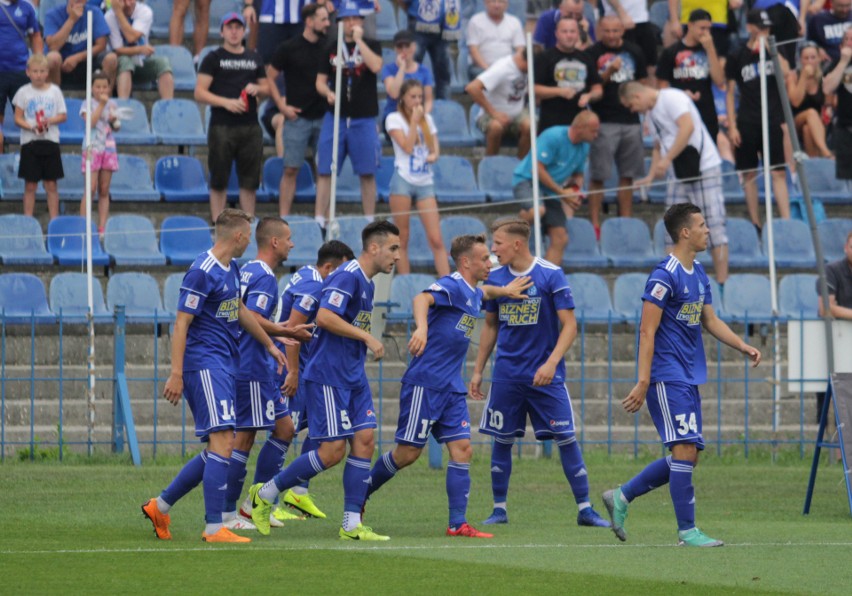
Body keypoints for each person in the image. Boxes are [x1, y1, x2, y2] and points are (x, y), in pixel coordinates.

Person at [602, 203, 761, 547]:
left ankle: (621, 496)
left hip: (688, 373)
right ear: (685, 232)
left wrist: (742, 345)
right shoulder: (664, 275)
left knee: (688, 454)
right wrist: (644, 380)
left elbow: (711, 320)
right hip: (665, 373)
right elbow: (647, 331)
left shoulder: (699, 272)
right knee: (685, 448)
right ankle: (687, 531)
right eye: (702, 225)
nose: (708, 230)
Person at [364, 235, 533, 538]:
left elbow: (484, 292)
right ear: (466, 262)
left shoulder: (472, 291)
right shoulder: (452, 284)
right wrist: (423, 327)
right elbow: (421, 299)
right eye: (484, 259)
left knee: (463, 449)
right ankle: (358, 495)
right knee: (407, 454)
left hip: (451, 388)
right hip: (425, 384)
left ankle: (457, 522)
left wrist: (505, 290)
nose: (490, 263)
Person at [141, 209, 291, 544]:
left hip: (225, 365)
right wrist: (176, 373)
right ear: (237, 236)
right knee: (225, 440)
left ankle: (160, 505)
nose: (250, 240)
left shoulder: (233, 269)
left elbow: (239, 309)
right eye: (248, 235)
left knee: (218, 447)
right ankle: (214, 527)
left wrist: (269, 343)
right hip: (204, 364)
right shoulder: (201, 271)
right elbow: (181, 323)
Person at [248, 220, 400, 541]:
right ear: (374, 247)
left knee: (365, 441)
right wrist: (368, 338)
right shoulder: (347, 275)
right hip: (329, 376)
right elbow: (325, 318)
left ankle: (351, 525)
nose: (397, 256)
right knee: (332, 452)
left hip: (353, 377)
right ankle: (265, 493)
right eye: (393, 248)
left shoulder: (368, 284)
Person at [469, 217, 611, 529]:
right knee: (501, 441)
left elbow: (570, 326)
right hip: (507, 375)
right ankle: (499, 509)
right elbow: (490, 326)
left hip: (546, 376)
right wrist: (478, 370)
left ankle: (585, 509)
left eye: (498, 243)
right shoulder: (496, 279)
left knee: (566, 438)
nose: (493, 250)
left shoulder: (550, 274)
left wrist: (551, 362)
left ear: (517, 244)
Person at [221, 217, 315, 531]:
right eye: (288, 239)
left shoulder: (246, 269)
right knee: (243, 439)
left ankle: (256, 504)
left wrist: (278, 338)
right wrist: (286, 331)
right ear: (274, 242)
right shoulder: (263, 276)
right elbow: (256, 318)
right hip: (249, 367)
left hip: (256, 365)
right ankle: (229, 516)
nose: (292, 244)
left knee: (285, 428)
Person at [272, 239, 356, 519]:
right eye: (342, 271)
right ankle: (265, 502)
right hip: (290, 366)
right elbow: (294, 328)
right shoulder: (314, 284)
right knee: (285, 433)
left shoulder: (310, 276)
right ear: (329, 267)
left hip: (309, 368)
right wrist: (293, 372)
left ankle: (298, 491)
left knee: (321, 430)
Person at [622, 82, 730, 286]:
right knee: (673, 226)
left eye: (630, 106)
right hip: (678, 172)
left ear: (636, 96)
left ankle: (723, 282)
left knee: (713, 225)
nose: (632, 110)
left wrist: (667, 159)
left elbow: (687, 126)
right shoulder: (650, 115)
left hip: (703, 167)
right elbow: (657, 146)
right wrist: (651, 175)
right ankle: (677, 283)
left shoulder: (671, 97)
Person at [315, 1, 383, 227]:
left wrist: (360, 41)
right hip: (336, 117)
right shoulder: (331, 47)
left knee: (367, 172)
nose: (351, 23)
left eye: (355, 19)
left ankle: (369, 221)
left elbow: (376, 67)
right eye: (346, 19)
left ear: (362, 21)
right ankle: (320, 221)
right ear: (340, 23)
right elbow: (320, 82)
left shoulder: (372, 43)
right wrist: (327, 93)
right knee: (325, 169)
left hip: (363, 117)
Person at [196, 12, 268, 223]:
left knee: (249, 181)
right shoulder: (213, 57)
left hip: (250, 125)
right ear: (222, 31)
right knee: (218, 180)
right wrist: (226, 102)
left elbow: (267, 87)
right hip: (222, 125)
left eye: (238, 27)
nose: (234, 31)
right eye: (230, 27)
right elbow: (199, 92)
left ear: (244, 30)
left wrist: (258, 87)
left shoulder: (254, 57)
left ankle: (248, 224)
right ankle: (219, 225)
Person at [725, 9, 791, 232]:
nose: (765, 31)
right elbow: (730, 92)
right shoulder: (737, 56)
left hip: (772, 118)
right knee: (749, 172)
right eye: (761, 28)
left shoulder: (775, 50)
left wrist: (770, 50)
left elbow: (787, 73)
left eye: (767, 28)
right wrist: (732, 125)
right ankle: (755, 222)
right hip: (747, 119)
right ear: (751, 28)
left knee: (778, 171)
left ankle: (786, 222)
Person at [586, 15, 649, 236]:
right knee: (598, 175)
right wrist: (609, 72)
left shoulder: (635, 51)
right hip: (604, 121)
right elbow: (591, 87)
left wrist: (646, 117)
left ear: (622, 30)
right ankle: (595, 224)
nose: (612, 35)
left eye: (616, 31)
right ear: (600, 31)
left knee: (628, 176)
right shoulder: (593, 53)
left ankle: (625, 222)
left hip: (631, 121)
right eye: (607, 31)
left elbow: (642, 85)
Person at [266, 2, 330, 217]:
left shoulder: (329, 47)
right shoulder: (289, 48)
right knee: (290, 169)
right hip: (297, 118)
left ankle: (321, 219)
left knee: (325, 171)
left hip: (323, 117)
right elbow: (270, 76)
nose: (327, 23)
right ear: (309, 21)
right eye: (323, 19)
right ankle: (284, 218)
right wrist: (281, 106)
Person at [513, 111, 600, 266]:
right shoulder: (552, 136)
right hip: (527, 181)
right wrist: (562, 193)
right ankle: (510, 231)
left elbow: (578, 173)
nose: (596, 135)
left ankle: (546, 282)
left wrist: (574, 190)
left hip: (550, 190)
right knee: (537, 210)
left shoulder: (585, 146)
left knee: (561, 238)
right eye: (594, 131)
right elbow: (537, 170)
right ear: (581, 128)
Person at [386, 79, 448, 277]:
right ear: (403, 98)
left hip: (424, 181)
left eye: (420, 96)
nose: (417, 101)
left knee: (436, 238)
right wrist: (414, 121)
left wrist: (433, 155)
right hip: (403, 179)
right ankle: (405, 282)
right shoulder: (393, 119)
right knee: (402, 237)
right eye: (412, 97)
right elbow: (407, 147)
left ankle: (447, 281)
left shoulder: (427, 120)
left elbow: (435, 149)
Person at [656, 9, 726, 146]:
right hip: (680, 113)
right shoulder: (671, 52)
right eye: (702, 28)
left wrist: (710, 49)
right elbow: (662, 86)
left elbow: (719, 81)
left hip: (706, 112)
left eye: (708, 29)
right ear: (690, 25)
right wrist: (680, 95)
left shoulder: (709, 50)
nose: (705, 33)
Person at [13, 53, 67, 220]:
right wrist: (32, 126)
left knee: (51, 184)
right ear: (28, 72)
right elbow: (18, 118)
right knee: (30, 185)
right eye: (35, 71)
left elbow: (63, 115)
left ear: (47, 72)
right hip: (30, 142)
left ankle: (54, 220)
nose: (38, 75)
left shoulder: (55, 91)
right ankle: (28, 219)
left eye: (42, 71)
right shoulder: (23, 92)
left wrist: (48, 121)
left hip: (50, 141)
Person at [534, 16, 602, 133]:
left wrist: (589, 96)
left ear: (578, 34)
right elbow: (533, 89)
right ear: (556, 34)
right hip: (551, 122)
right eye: (564, 31)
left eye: (572, 31)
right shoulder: (544, 57)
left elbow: (598, 89)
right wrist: (559, 91)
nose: (569, 35)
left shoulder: (587, 58)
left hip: (580, 123)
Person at [465, 48, 531, 158]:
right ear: (525, 61)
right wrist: (494, 113)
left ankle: (521, 167)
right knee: (496, 128)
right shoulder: (502, 68)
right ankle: (491, 164)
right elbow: (472, 88)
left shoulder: (530, 69)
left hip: (517, 112)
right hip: (491, 113)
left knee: (530, 126)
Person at [815, 231, 852, 421]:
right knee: (827, 390)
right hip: (831, 341)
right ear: (846, 247)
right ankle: (826, 427)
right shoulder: (832, 270)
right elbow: (826, 309)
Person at [105, 0, 174, 100]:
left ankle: (169, 106)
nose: (128, 4)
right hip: (119, 66)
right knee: (125, 61)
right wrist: (119, 13)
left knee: (163, 63)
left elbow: (133, 36)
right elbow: (118, 49)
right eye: (124, 0)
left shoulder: (145, 11)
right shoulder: (110, 16)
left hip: (141, 62)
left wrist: (139, 51)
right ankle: (123, 105)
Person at [79, 70, 118, 240]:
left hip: (108, 148)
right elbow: (91, 122)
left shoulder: (112, 104)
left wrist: (114, 118)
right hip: (92, 147)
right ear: (92, 88)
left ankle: (102, 227)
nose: (101, 90)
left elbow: (117, 126)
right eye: (98, 87)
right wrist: (102, 105)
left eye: (104, 87)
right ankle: (84, 226)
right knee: (91, 188)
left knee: (104, 189)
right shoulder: (86, 104)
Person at [0, 0, 43, 153]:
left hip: (20, 71)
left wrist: (39, 62)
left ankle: (30, 170)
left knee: (29, 124)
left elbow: (36, 36)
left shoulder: (27, 7)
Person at [45, 0, 117, 90]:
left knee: (111, 58)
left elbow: (101, 45)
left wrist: (78, 57)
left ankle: (104, 99)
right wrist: (72, 19)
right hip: (61, 62)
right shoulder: (53, 14)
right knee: (53, 58)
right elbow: (53, 47)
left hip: (87, 59)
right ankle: (53, 98)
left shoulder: (95, 12)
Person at [403, 0, 461, 100]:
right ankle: (409, 105)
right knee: (411, 69)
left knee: (444, 74)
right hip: (418, 24)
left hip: (446, 26)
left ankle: (444, 107)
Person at [381, 29, 434, 135]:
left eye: (407, 46)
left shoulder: (424, 71)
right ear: (395, 49)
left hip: (416, 114)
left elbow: (428, 100)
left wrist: (423, 115)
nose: (404, 50)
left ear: (414, 47)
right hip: (394, 115)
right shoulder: (389, 69)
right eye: (400, 47)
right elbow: (394, 93)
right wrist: (401, 68)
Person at [787, 43, 833, 158]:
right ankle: (826, 152)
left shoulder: (824, 77)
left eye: (813, 57)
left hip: (817, 123)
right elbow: (795, 102)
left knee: (807, 129)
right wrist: (803, 76)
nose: (809, 61)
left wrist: (828, 110)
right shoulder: (793, 76)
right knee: (811, 113)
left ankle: (813, 164)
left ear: (818, 59)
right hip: (796, 120)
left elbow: (829, 103)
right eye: (806, 58)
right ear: (800, 60)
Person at [600, 0, 659, 80]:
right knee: (623, 67)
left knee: (650, 65)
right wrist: (622, 14)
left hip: (643, 19)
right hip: (618, 21)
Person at [466, 0, 524, 80]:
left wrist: (511, 67)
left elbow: (520, 50)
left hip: (508, 69)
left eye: (501, 2)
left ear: (507, 4)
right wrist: (490, 70)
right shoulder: (475, 21)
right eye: (493, 1)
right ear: (485, 3)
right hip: (482, 69)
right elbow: (473, 50)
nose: (497, 5)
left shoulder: (515, 22)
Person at [823, 28, 852, 184]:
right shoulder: (838, 63)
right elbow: (827, 88)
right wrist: (843, 62)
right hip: (845, 129)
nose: (850, 43)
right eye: (847, 39)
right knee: (847, 180)